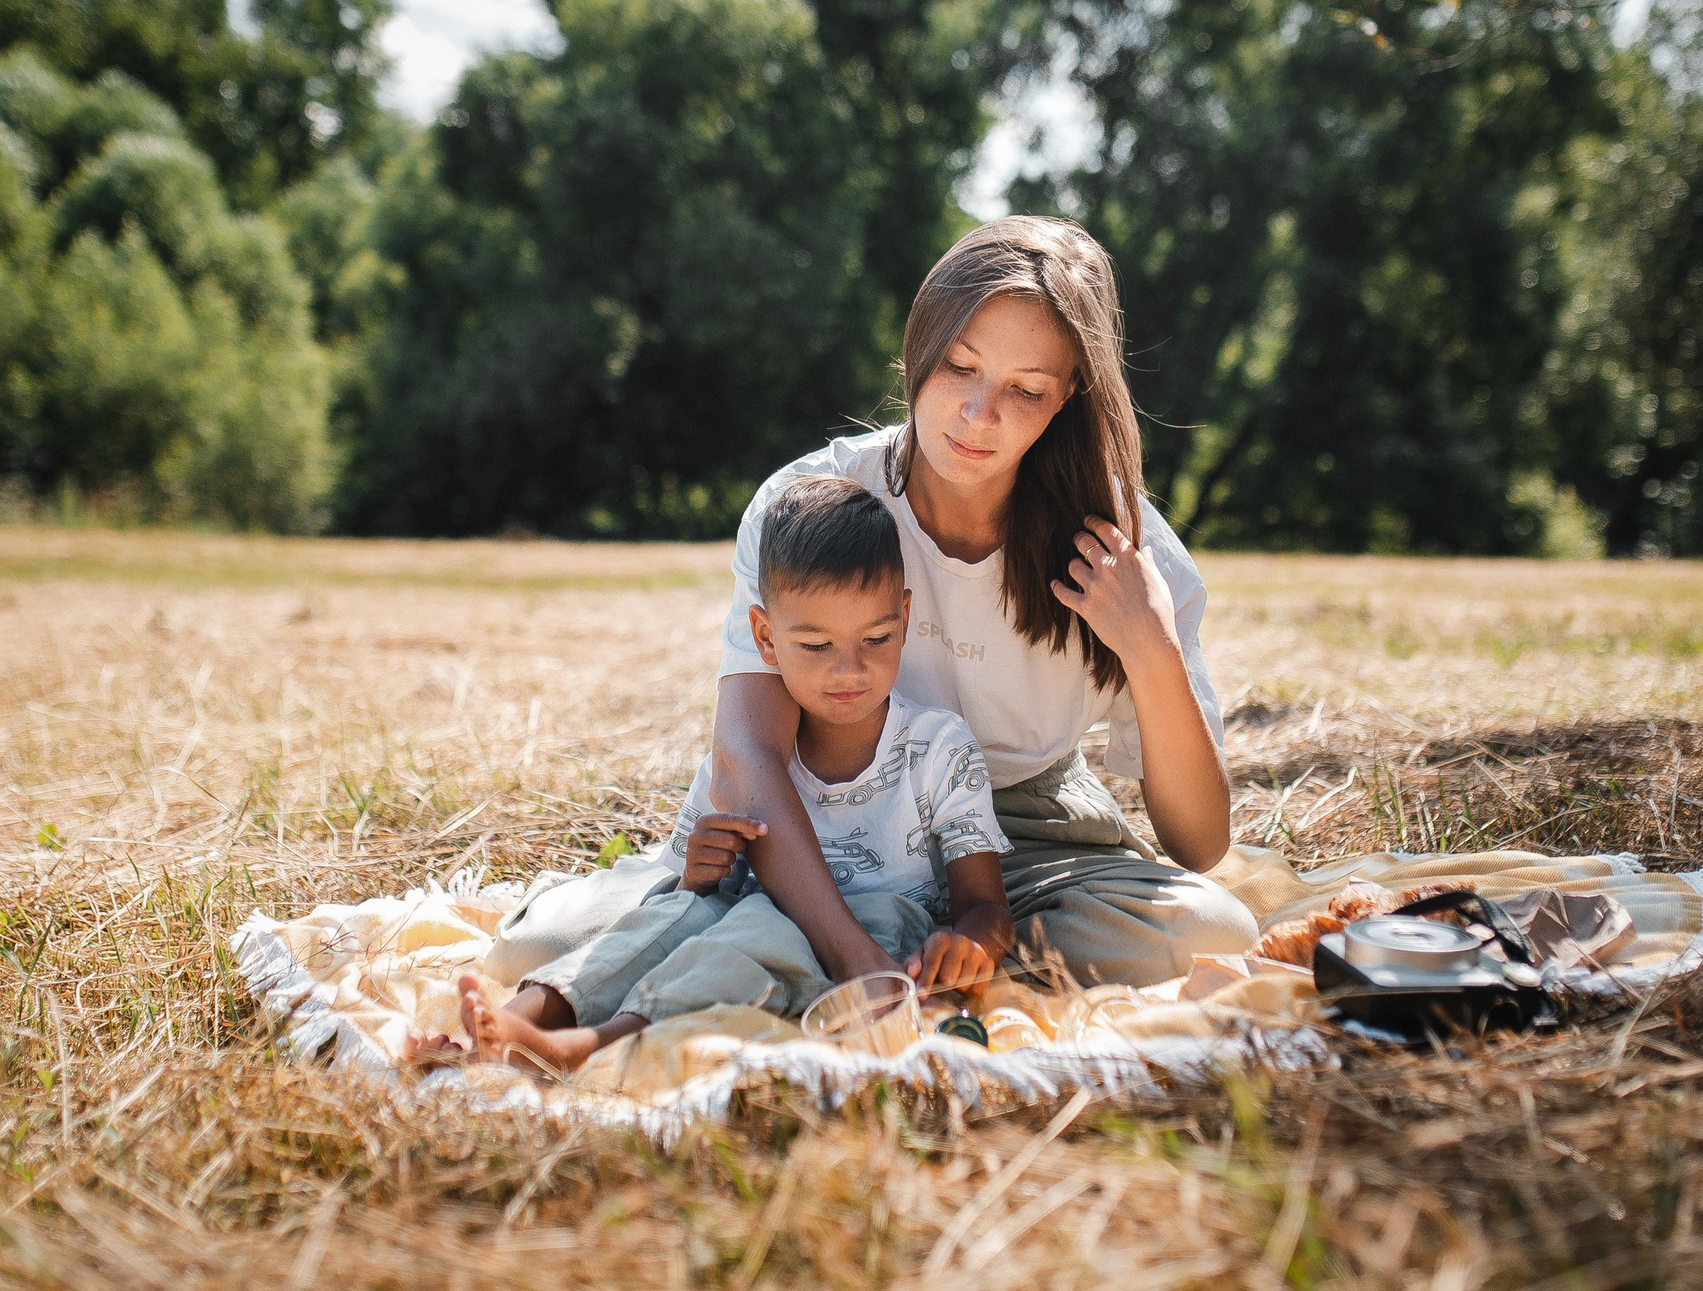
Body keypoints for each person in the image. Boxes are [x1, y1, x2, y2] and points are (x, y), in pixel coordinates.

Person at [488, 216, 1259, 994]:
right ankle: (859, 940)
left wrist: (1150, 646)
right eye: (960, 366)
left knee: (1208, 933)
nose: (978, 412)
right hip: (810, 812)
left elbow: (1197, 841)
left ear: (1067, 397)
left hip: (1016, 833)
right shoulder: (812, 502)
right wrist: (852, 950)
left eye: (1024, 389)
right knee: (531, 956)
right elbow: (749, 759)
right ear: (917, 351)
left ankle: (862, 948)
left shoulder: (1126, 549)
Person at [442, 477, 1013, 1071]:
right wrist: (700, 870)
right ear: (765, 638)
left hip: (879, 934)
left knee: (765, 925)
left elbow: (987, 907)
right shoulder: (747, 761)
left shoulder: (939, 749)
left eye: (877, 637)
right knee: (675, 914)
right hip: (748, 916)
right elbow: (702, 889)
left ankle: (594, 1044)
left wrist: (970, 943)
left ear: (905, 616)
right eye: (815, 645)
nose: (851, 669)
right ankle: (518, 1022)